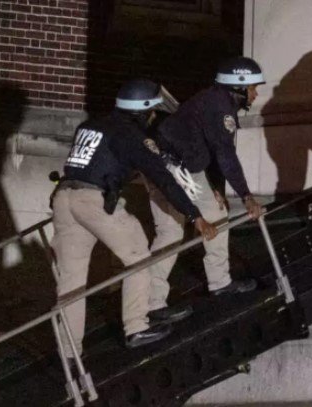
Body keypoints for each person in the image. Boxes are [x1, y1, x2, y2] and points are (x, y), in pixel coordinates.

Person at [51, 79, 218, 354]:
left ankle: (69, 353)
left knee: (71, 282)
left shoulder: (90, 125)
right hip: (93, 201)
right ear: (142, 111)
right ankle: (136, 327)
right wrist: (194, 215)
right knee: (138, 256)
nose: (153, 118)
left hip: (63, 198)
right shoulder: (131, 135)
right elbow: (163, 178)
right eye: (152, 112)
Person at [146, 57, 262, 306]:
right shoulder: (221, 107)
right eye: (253, 88)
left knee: (174, 231)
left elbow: (207, 149)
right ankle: (218, 283)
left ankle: (152, 301)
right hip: (176, 167)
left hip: (166, 165)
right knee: (210, 218)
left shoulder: (211, 99)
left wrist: (215, 187)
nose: (256, 94)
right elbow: (225, 155)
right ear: (239, 86)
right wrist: (247, 196)